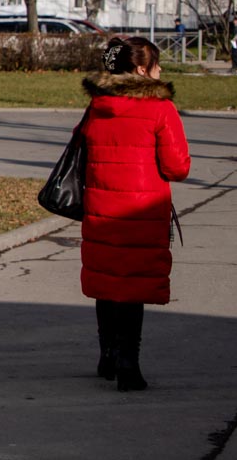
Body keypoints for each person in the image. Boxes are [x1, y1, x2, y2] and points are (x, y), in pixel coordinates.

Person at [79, 35, 190, 391]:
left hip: (100, 206)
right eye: (157, 65)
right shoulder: (161, 109)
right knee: (133, 285)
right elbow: (177, 167)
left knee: (107, 278)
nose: (161, 72)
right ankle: (129, 363)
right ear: (142, 69)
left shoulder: (98, 105)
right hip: (141, 210)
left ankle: (107, 354)